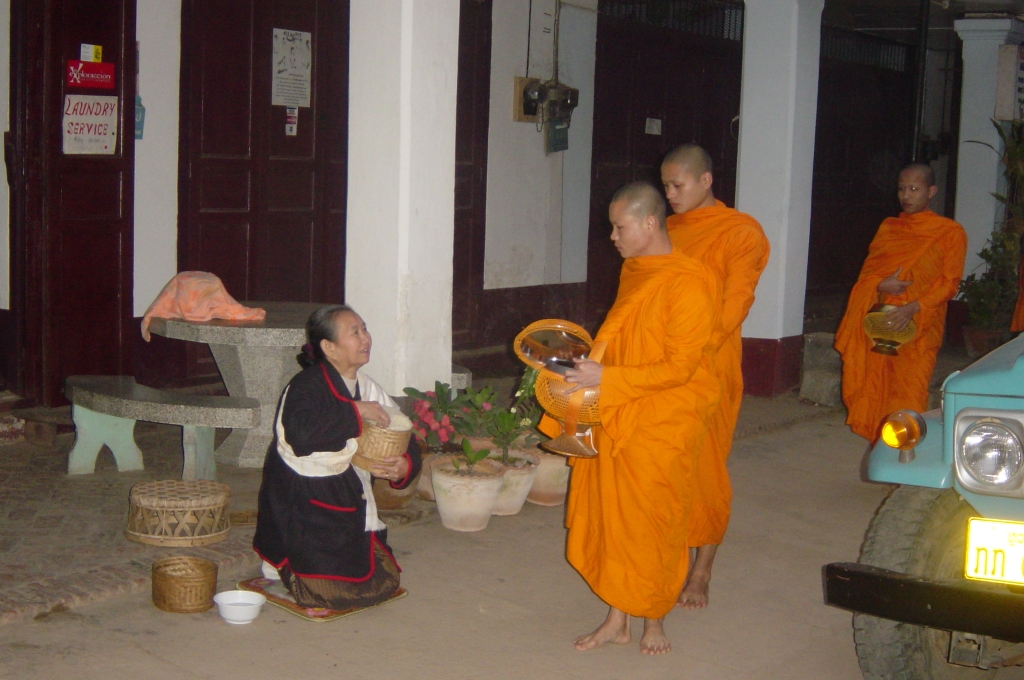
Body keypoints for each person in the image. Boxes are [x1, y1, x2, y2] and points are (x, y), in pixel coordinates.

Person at [564, 181, 722, 655]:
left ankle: (654, 616)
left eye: (619, 226)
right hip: (620, 408)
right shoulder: (638, 270)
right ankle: (618, 618)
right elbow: (622, 337)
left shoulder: (690, 281)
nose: (612, 236)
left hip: (665, 419)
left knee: (656, 520)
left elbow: (680, 367)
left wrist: (606, 377)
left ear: (649, 223)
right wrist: (584, 372)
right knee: (617, 518)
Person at [253, 304, 422, 610]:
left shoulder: (368, 386)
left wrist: (403, 465)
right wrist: (357, 411)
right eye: (354, 332)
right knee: (331, 593)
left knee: (382, 583)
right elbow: (301, 437)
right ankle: (286, 565)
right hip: (304, 505)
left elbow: (403, 431)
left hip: (347, 498)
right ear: (329, 348)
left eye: (364, 329)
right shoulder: (306, 386)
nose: (365, 338)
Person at [660, 144, 770, 610]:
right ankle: (664, 558)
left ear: (706, 181)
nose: (669, 195)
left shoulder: (740, 233)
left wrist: (691, 350)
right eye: (664, 185)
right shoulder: (663, 229)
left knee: (705, 471)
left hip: (709, 363)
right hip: (660, 366)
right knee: (665, 467)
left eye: (677, 185)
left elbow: (736, 302)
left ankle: (702, 568)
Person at [835, 163, 967, 442]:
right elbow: (868, 275)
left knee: (910, 392)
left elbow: (949, 284)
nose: (906, 195)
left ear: (931, 191)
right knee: (875, 389)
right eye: (902, 189)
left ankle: (906, 457)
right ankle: (881, 449)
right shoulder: (889, 228)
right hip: (881, 327)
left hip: (919, 327)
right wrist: (881, 284)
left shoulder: (949, 232)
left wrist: (913, 306)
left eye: (914, 189)